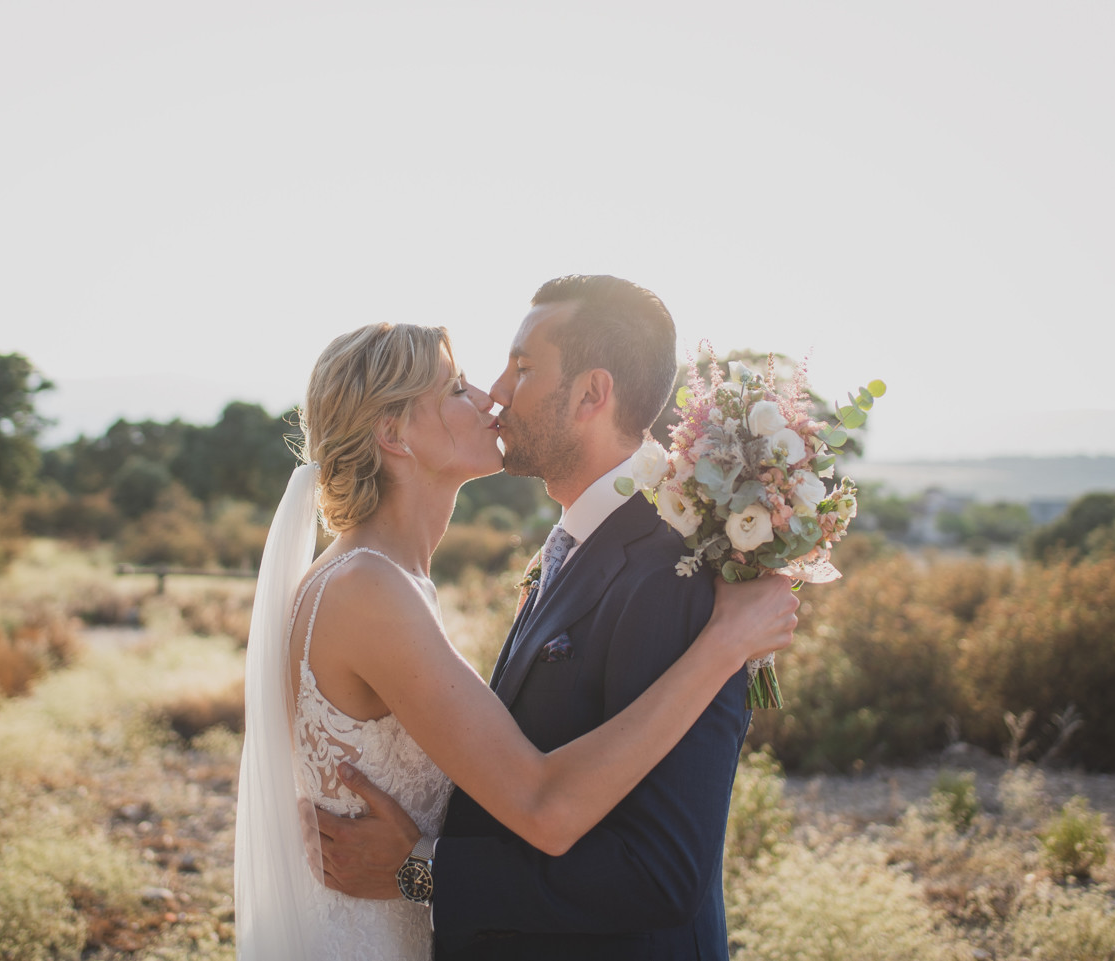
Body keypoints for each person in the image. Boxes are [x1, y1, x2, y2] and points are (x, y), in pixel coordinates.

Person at [235, 296, 797, 960]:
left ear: (593, 393)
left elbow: (657, 864)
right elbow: (538, 800)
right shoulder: (368, 587)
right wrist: (726, 645)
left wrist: (416, 868)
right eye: (457, 386)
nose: (490, 396)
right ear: (394, 434)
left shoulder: (391, 578)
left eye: (517, 369)